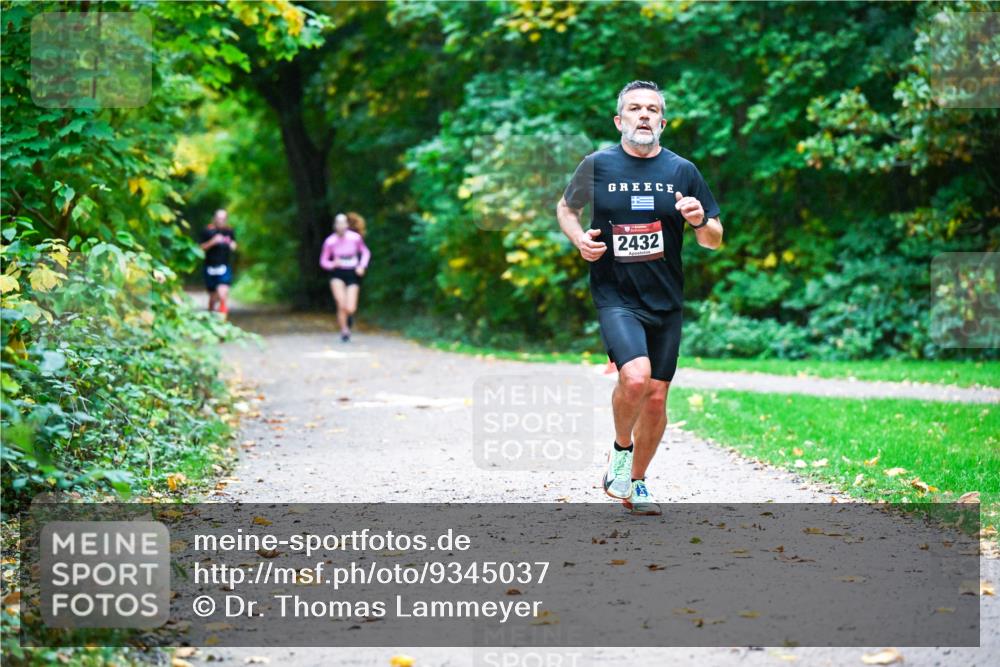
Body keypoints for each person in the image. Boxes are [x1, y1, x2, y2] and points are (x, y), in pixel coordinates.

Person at [556, 81, 724, 515]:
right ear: (620, 120)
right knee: (635, 378)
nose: (644, 115)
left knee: (656, 396)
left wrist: (700, 218)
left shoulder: (682, 171)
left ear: (663, 123)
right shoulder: (597, 165)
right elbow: (565, 208)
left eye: (652, 109)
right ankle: (620, 449)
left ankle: (637, 482)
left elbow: (714, 240)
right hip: (615, 294)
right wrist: (580, 240)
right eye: (635, 108)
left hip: (665, 300)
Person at [319, 212, 371, 342]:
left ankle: (348, 317)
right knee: (340, 303)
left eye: (343, 223)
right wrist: (332, 264)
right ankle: (344, 330)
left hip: (352, 272)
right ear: (335, 226)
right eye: (338, 223)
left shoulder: (355, 238)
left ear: (347, 225)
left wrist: (362, 266)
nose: (341, 226)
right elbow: (323, 261)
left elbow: (365, 252)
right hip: (337, 272)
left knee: (350, 307)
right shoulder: (330, 241)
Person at [199, 209, 237, 317]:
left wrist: (230, 243)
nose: (221, 221)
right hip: (209, 266)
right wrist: (213, 242)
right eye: (219, 218)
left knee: (222, 294)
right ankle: (211, 319)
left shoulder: (229, 231)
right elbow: (199, 248)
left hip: (224, 266)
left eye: (223, 219)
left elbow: (234, 245)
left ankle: (222, 320)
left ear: (226, 220)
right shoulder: (207, 231)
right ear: (214, 218)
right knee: (213, 298)